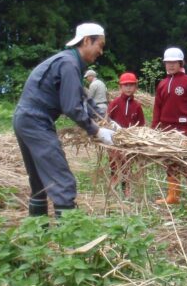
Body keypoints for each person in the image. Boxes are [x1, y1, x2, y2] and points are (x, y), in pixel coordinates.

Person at [13, 22, 114, 218]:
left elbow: (83, 98)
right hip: (35, 121)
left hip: (24, 119)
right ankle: (67, 242)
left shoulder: (66, 61)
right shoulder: (69, 64)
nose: (101, 51)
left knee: (39, 183)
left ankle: (38, 237)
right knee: (63, 183)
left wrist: (106, 121)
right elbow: (72, 107)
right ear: (86, 41)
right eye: (100, 45)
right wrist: (97, 131)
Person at [152, 47, 187, 212]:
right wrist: (154, 128)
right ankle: (173, 196)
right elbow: (157, 107)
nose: (170, 65)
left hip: (184, 128)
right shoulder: (162, 83)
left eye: (174, 62)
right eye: (168, 62)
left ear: (180, 63)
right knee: (170, 161)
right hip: (166, 128)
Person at [106, 72, 146, 194]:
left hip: (130, 141)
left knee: (127, 164)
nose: (128, 88)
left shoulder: (137, 106)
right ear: (120, 87)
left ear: (136, 87)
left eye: (131, 85)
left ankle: (125, 188)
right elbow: (106, 120)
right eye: (125, 85)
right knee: (114, 161)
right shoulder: (115, 103)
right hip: (115, 139)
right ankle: (113, 182)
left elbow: (141, 125)